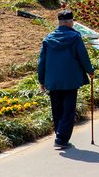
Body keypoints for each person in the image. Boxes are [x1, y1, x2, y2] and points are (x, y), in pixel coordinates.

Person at [37, 10, 95, 150]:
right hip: (70, 79)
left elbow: (41, 62)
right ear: (70, 22)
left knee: (56, 109)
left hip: (53, 80)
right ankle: (61, 138)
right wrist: (90, 71)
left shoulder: (48, 38)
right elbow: (83, 56)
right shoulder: (75, 37)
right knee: (68, 110)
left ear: (59, 22)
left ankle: (59, 134)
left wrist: (41, 80)